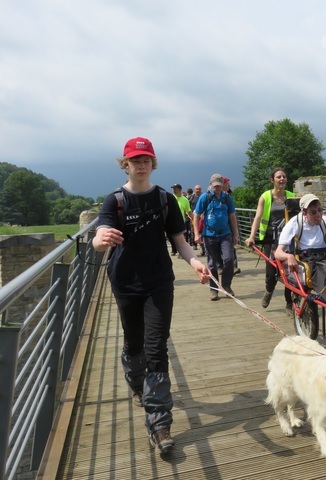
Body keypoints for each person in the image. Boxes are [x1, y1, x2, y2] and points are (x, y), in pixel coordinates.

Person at [92, 136, 210, 454]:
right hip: (125, 283)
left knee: (156, 349)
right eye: (135, 160)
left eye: (146, 160)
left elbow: (180, 241)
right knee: (134, 345)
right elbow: (98, 239)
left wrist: (196, 262)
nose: (141, 165)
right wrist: (100, 239)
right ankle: (137, 384)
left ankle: (159, 424)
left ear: (152, 163)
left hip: (159, 282)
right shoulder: (114, 200)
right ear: (126, 164)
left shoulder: (164, 200)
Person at [274, 193, 326, 327]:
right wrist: (289, 256)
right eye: (313, 212)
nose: (318, 215)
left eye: (320, 210)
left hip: (324, 256)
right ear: (304, 213)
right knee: (320, 273)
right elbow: (278, 252)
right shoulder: (294, 223)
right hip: (306, 259)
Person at [245, 167, 295, 315]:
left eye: (284, 177)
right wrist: (252, 236)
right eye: (279, 177)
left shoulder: (291, 196)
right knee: (271, 271)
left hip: (287, 240)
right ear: (272, 180)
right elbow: (258, 217)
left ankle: (289, 303)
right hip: (269, 239)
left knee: (289, 272)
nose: (282, 179)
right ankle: (269, 290)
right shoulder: (265, 197)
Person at [193, 173, 239, 301]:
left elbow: (232, 216)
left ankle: (226, 285)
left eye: (219, 185)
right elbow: (196, 215)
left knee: (229, 259)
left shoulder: (227, 198)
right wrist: (197, 233)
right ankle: (214, 290)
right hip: (209, 235)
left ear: (222, 185)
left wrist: (235, 234)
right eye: (215, 186)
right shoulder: (205, 197)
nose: (217, 188)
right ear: (211, 185)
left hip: (225, 233)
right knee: (212, 264)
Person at [222, 176, 241, 275]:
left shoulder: (228, 195)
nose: (229, 185)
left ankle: (233, 266)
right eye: (227, 183)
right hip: (221, 226)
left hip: (229, 225)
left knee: (230, 246)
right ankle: (225, 266)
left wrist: (235, 232)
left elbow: (232, 213)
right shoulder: (211, 196)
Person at [171, 184, 193, 254]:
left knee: (182, 238)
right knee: (172, 238)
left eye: (176, 189)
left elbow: (189, 211)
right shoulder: (171, 198)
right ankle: (174, 249)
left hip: (181, 222)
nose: (174, 190)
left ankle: (182, 252)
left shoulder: (185, 200)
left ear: (180, 190)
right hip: (170, 222)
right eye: (173, 189)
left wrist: (194, 219)